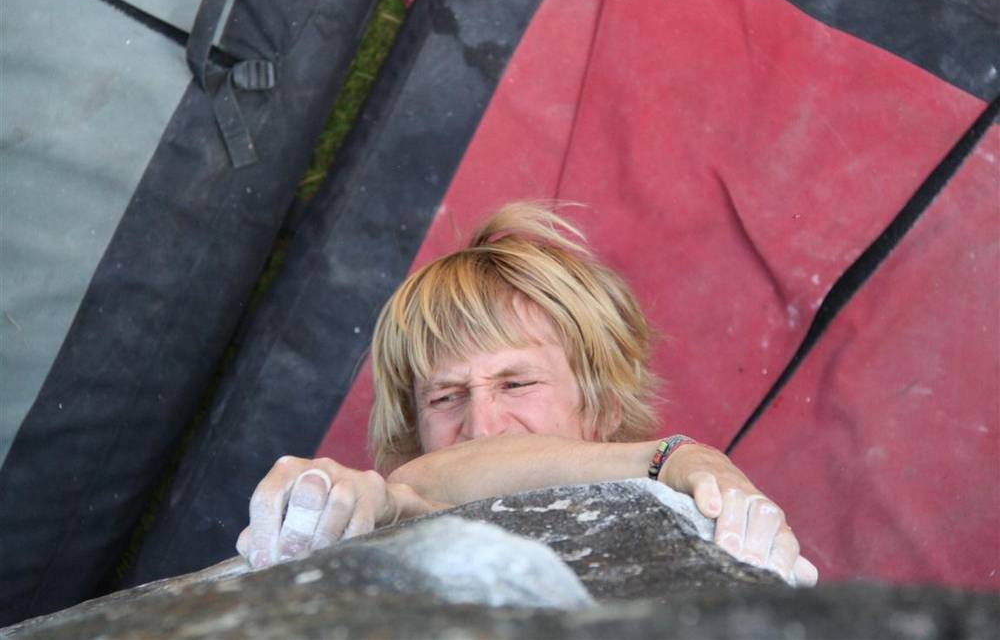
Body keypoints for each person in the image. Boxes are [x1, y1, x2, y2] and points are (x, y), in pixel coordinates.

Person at [236, 202, 818, 586]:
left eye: (516, 384)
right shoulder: (381, 520)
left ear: (604, 407)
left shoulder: (680, 523)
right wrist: (675, 457)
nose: (482, 425)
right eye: (444, 397)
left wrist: (679, 462)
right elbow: (438, 480)